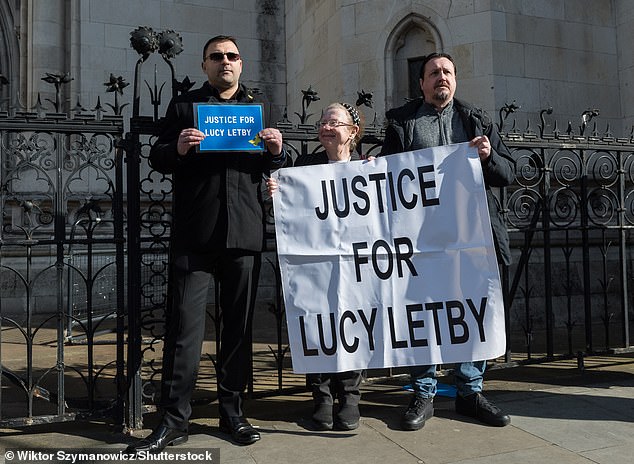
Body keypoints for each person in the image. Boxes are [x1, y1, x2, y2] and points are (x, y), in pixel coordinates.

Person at [126, 35, 288, 453]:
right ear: (205, 65)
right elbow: (158, 156)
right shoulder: (184, 107)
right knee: (184, 331)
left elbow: (270, 167)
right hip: (195, 235)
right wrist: (177, 148)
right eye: (216, 57)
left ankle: (233, 413)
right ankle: (174, 419)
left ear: (241, 63)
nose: (225, 63)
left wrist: (276, 152)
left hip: (245, 234)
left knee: (237, 330)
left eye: (232, 56)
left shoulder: (259, 108)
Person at [380, 52, 515, 431]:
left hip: (472, 238)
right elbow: (386, 179)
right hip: (422, 240)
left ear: (455, 80)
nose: (442, 77)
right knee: (421, 315)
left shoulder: (477, 120)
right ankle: (424, 391)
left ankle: (470, 392)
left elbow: (509, 172)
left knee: (472, 313)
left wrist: (488, 157)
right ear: (421, 83)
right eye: (434, 72)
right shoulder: (402, 123)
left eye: (448, 72)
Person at [267, 102, 368, 431]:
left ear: (352, 131)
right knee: (317, 323)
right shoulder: (306, 164)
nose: (326, 127)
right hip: (316, 261)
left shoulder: (368, 167)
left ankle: (350, 396)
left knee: (353, 325)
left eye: (334, 122)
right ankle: (321, 394)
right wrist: (276, 191)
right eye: (322, 122)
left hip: (356, 263)